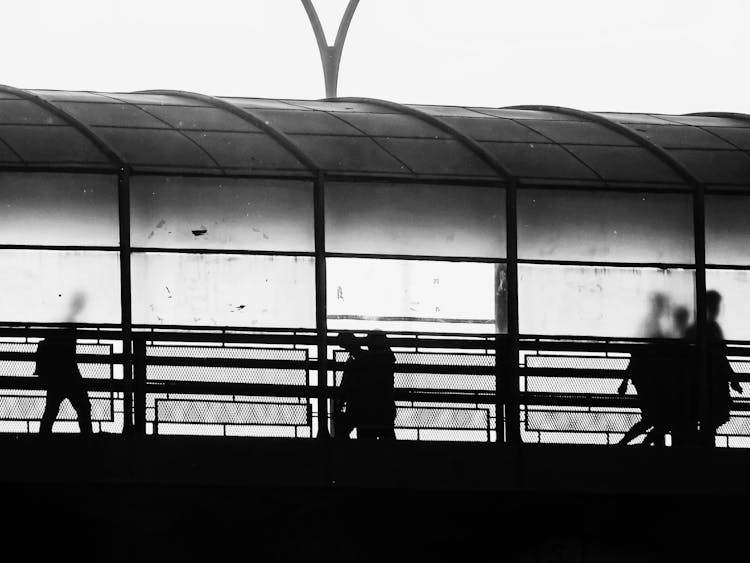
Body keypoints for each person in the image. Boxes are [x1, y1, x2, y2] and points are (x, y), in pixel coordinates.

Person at [685, 290, 742, 445]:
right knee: (712, 419)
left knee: (705, 419)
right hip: (714, 380)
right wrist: (732, 378)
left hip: (700, 379)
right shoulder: (712, 328)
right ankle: (706, 448)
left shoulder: (695, 328)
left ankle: (701, 449)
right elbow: (721, 356)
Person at [35, 326, 92, 435]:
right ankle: (87, 438)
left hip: (56, 377)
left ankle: (43, 437)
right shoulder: (69, 328)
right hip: (71, 376)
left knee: (51, 409)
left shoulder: (52, 332)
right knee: (83, 407)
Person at [356, 332, 397, 441]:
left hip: (368, 410)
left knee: (367, 444)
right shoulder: (387, 358)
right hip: (385, 408)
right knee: (387, 439)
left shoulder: (368, 358)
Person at [332, 331, 365, 439]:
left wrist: (341, 401)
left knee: (343, 430)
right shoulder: (361, 357)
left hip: (355, 402)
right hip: (363, 403)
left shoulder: (353, 359)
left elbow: (346, 383)